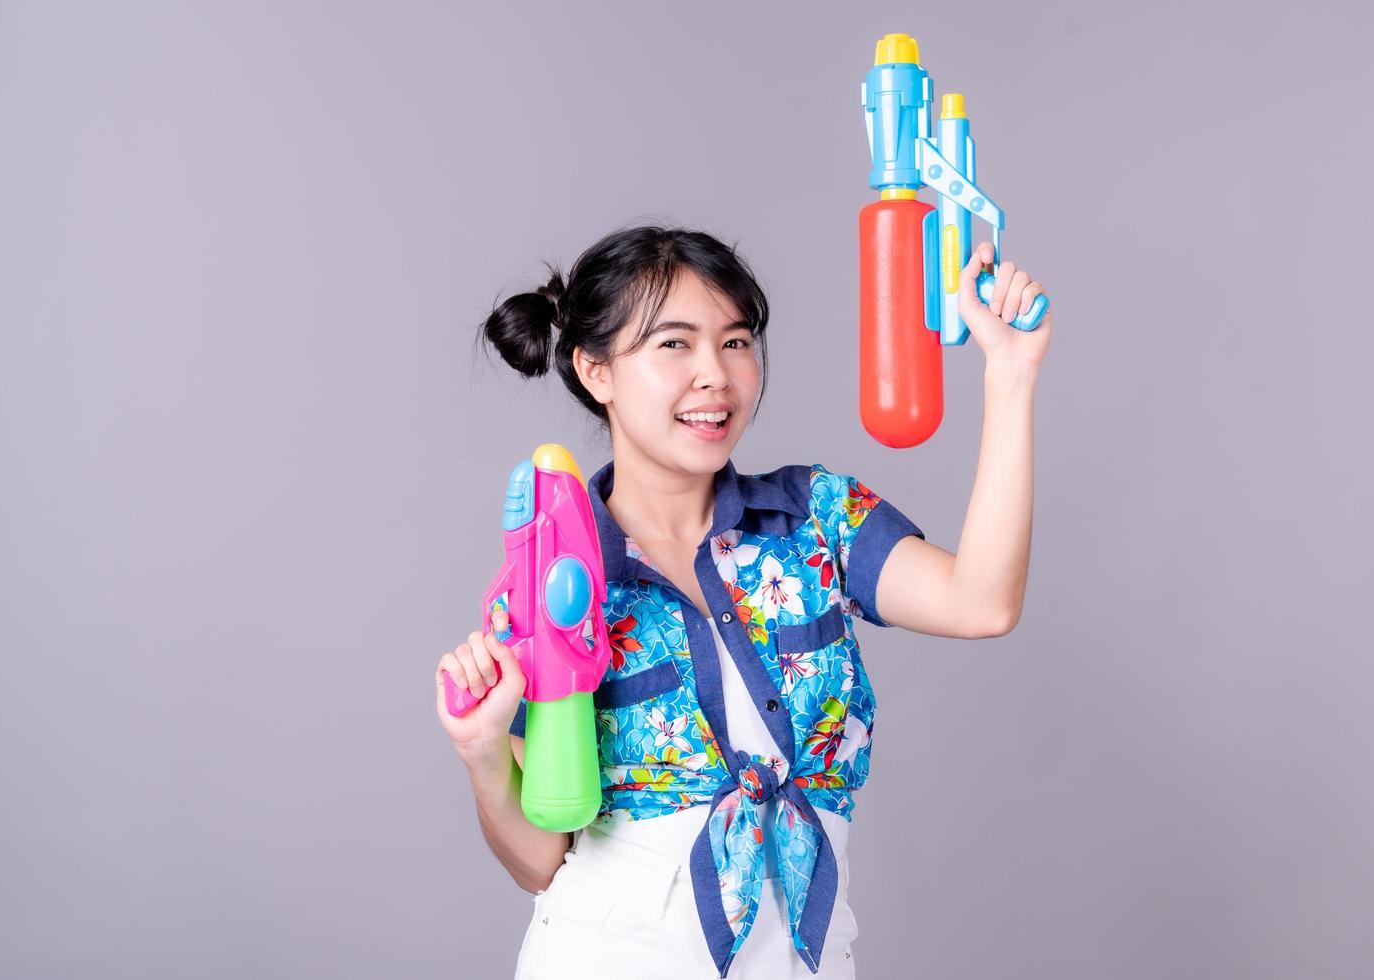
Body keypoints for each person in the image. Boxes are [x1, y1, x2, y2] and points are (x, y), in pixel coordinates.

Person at [434, 224, 1051, 978]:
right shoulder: (552, 581)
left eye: (735, 341)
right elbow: (540, 862)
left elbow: (981, 602)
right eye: (673, 345)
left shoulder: (814, 517)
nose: (716, 377)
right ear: (595, 369)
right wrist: (482, 752)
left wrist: (1010, 375)